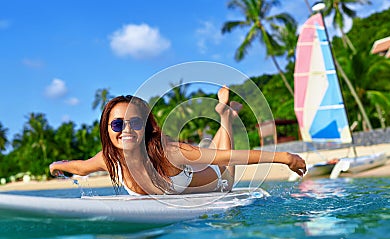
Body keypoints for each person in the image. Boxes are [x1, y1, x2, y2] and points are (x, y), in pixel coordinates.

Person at [50, 86, 306, 195]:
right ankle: (225, 114)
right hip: (199, 164)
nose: (125, 130)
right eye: (117, 124)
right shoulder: (109, 159)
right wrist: (57, 165)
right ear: (107, 129)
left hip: (219, 179)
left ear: (146, 127)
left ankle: (225, 116)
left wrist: (284, 158)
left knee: (220, 158)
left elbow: (227, 158)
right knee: (210, 148)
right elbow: (80, 167)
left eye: (135, 123)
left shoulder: (168, 151)